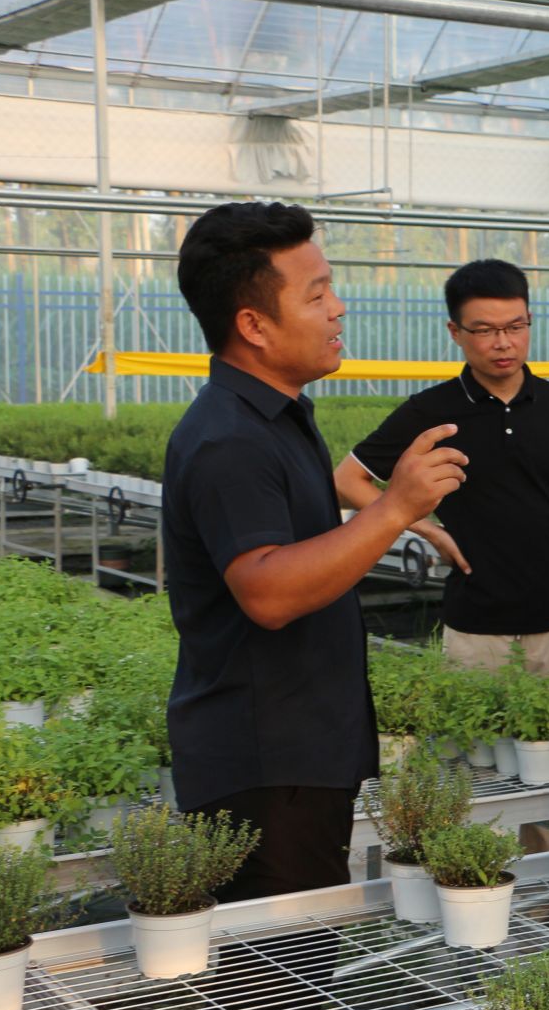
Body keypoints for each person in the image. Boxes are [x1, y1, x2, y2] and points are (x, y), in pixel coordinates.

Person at [162, 201, 466, 900]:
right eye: (317, 293)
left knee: (296, 955)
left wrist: (390, 515)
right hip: (265, 765)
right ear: (253, 325)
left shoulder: (275, 417)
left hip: (294, 756)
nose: (338, 307)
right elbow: (267, 592)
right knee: (281, 964)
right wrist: (395, 507)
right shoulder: (230, 439)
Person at [337, 259, 549, 692]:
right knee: (476, 733)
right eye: (484, 330)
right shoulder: (432, 410)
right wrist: (428, 531)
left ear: (529, 321)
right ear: (455, 332)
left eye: (516, 326)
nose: (503, 342)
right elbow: (346, 481)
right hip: (475, 621)